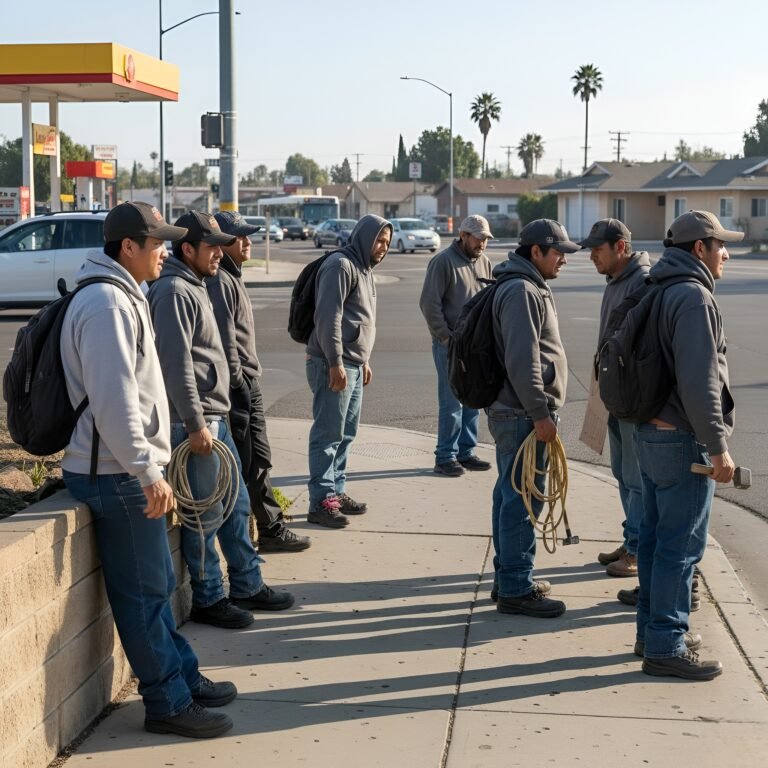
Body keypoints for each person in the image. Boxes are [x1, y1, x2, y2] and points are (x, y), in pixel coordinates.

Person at [60, 202, 235, 738]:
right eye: (156, 242)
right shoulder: (108, 305)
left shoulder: (121, 295)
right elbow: (115, 401)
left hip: (122, 469)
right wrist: (146, 470)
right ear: (127, 248)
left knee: (154, 587)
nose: (164, 250)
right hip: (116, 473)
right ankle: (167, 701)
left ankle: (180, 676)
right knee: (143, 595)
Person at [147, 210, 294, 630]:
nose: (219, 252)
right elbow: (176, 367)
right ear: (187, 248)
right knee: (205, 516)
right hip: (195, 424)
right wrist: (194, 424)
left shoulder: (196, 283)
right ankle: (209, 598)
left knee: (236, 505)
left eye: (219, 244)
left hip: (215, 418)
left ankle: (247, 584)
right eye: (210, 246)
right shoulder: (174, 289)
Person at [633, 210, 739, 681]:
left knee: (655, 542)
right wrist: (718, 449)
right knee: (680, 548)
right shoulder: (693, 298)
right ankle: (667, 645)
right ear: (699, 249)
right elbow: (700, 384)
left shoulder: (654, 288)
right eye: (720, 245)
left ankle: (652, 633)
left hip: (650, 434)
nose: (726, 253)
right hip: (682, 440)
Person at [488, 219, 580, 618]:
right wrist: (541, 414)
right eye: (557, 251)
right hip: (523, 414)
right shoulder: (522, 291)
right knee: (522, 501)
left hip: (517, 411)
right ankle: (516, 588)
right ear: (535, 252)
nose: (563, 259)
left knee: (511, 496)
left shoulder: (524, 286)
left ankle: (508, 578)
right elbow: (522, 362)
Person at [209, 210, 310, 553]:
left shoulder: (230, 276)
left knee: (259, 459)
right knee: (252, 461)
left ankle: (270, 526)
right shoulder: (221, 281)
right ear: (222, 244)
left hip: (245, 383)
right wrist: (239, 384)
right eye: (241, 237)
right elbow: (225, 342)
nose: (249, 241)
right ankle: (270, 529)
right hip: (239, 388)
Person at [305, 214, 392, 528]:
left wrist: (363, 359)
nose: (382, 247)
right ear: (363, 238)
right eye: (378, 240)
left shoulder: (364, 269)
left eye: (386, 242)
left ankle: (336, 491)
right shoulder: (341, 266)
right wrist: (335, 363)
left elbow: (358, 320)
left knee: (345, 434)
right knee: (328, 434)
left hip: (353, 364)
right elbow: (328, 317)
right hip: (333, 363)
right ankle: (321, 502)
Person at [579, 219, 649, 578]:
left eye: (597, 249)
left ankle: (637, 551)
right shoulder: (616, 280)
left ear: (620, 247)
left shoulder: (643, 281)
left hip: (633, 400)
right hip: (614, 396)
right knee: (623, 474)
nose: (591, 256)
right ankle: (631, 539)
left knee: (637, 479)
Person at [419, 214, 494, 477]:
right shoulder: (443, 262)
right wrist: (446, 338)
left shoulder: (484, 262)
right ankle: (445, 456)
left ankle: (466, 452)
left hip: (476, 347)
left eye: (486, 239)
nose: (483, 244)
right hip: (450, 345)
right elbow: (429, 305)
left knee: (473, 399)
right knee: (452, 402)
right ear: (463, 235)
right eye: (478, 238)